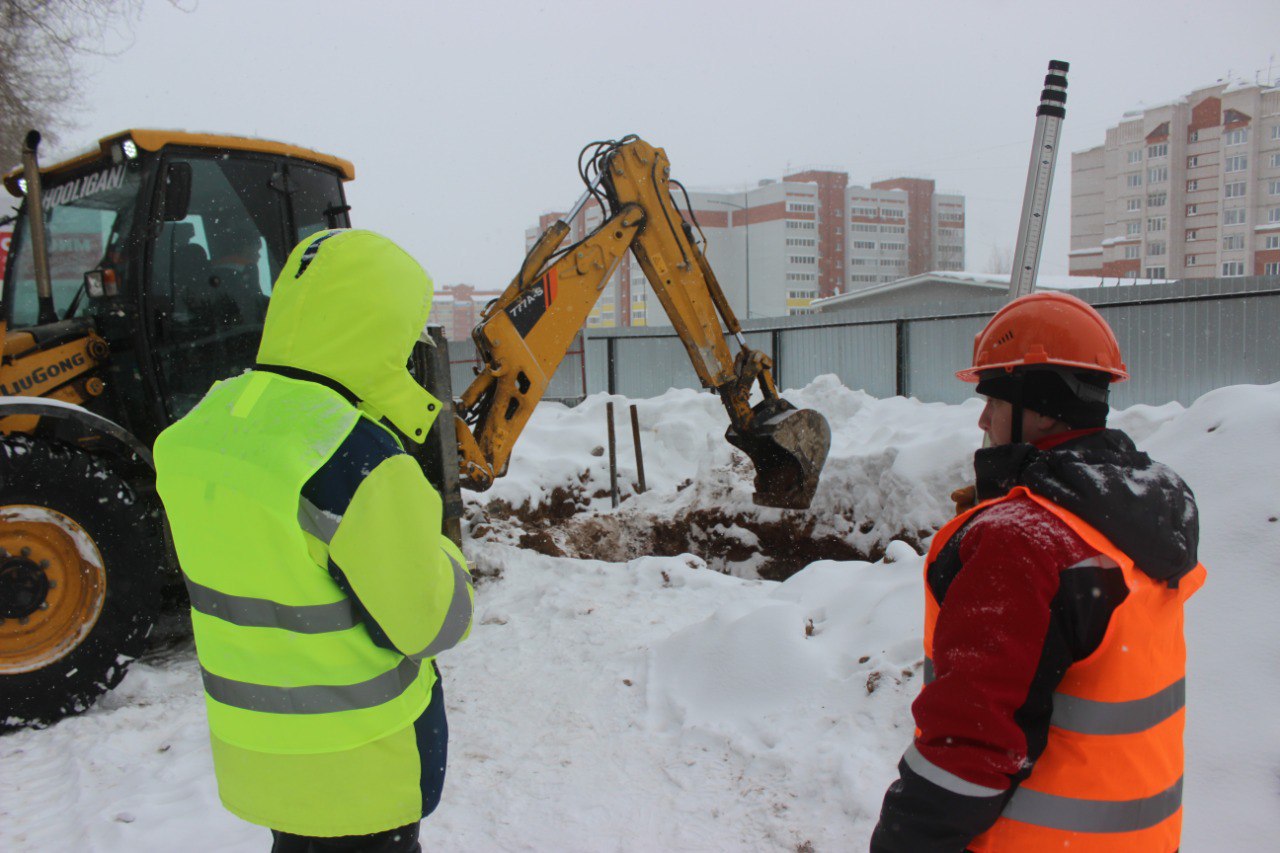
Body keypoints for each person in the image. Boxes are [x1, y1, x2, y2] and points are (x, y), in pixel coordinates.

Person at [154, 229, 473, 852]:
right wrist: (446, 556)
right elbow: (431, 625)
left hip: (258, 756)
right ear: (384, 327)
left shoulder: (198, 430)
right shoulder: (357, 458)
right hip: (362, 767)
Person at [871, 291, 1205, 852]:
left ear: (1043, 407)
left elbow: (970, 747)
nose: (982, 417)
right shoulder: (1140, 512)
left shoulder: (1024, 540)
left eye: (994, 399)